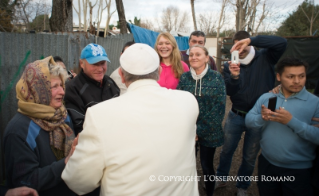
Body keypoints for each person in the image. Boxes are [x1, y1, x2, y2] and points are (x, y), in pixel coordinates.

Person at [62, 43, 200, 196]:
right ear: (159, 71)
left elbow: (78, 181)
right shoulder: (188, 102)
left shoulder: (98, 115)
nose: (99, 68)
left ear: (121, 74)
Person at [215, 31, 287, 196]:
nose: (240, 49)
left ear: (249, 44)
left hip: (258, 116)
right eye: (236, 45)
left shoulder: (265, 57)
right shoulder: (229, 65)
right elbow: (229, 91)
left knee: (250, 154)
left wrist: (251, 40)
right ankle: (221, 178)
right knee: (227, 150)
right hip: (235, 115)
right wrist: (234, 76)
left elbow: (282, 42)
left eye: (243, 44)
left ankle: (242, 186)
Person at [245, 57, 319, 196]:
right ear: (279, 76)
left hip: (299, 171)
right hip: (267, 165)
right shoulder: (268, 98)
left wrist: (291, 121)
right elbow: (249, 121)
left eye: (301, 76)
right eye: (291, 76)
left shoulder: (315, 103)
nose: (297, 81)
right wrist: (262, 118)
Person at [3, 56, 76, 196]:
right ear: (36, 90)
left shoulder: (61, 115)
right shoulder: (18, 131)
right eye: (54, 86)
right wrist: (66, 163)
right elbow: (24, 182)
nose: (62, 92)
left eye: (61, 85)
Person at [176, 45, 226, 196]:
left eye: (198, 54)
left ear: (206, 58)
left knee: (207, 165)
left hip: (209, 132)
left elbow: (219, 108)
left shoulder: (216, 78)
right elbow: (179, 104)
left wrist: (199, 131)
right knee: (186, 165)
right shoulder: (185, 78)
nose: (194, 57)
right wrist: (190, 129)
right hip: (188, 131)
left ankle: (209, 192)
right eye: (191, 55)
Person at [64, 43, 120, 136]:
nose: (100, 69)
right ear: (82, 64)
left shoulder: (110, 82)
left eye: (102, 63)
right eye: (94, 64)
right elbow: (80, 126)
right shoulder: (73, 89)